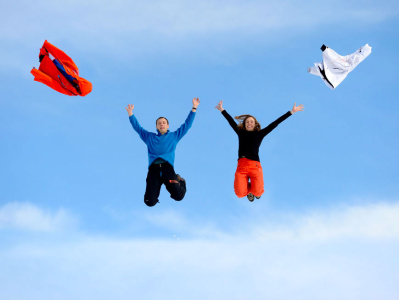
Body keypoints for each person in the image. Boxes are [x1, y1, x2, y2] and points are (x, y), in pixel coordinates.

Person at [215, 100, 304, 201]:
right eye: (247, 122)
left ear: (255, 124)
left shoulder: (260, 134)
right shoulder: (240, 132)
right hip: (242, 166)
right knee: (240, 194)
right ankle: (249, 191)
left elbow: (275, 123)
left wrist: (291, 112)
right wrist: (222, 110)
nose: (249, 123)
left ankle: (253, 190)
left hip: (255, 166)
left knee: (258, 192)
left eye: (251, 122)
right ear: (244, 124)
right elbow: (230, 121)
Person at [126, 98, 200, 207]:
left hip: (167, 169)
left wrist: (194, 108)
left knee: (178, 196)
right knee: (149, 202)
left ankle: (181, 181)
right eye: (159, 123)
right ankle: (155, 194)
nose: (162, 124)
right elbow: (138, 128)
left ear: (167, 126)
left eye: (164, 123)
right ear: (156, 126)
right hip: (153, 170)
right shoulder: (149, 137)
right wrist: (130, 114)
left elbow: (187, 125)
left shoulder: (174, 136)